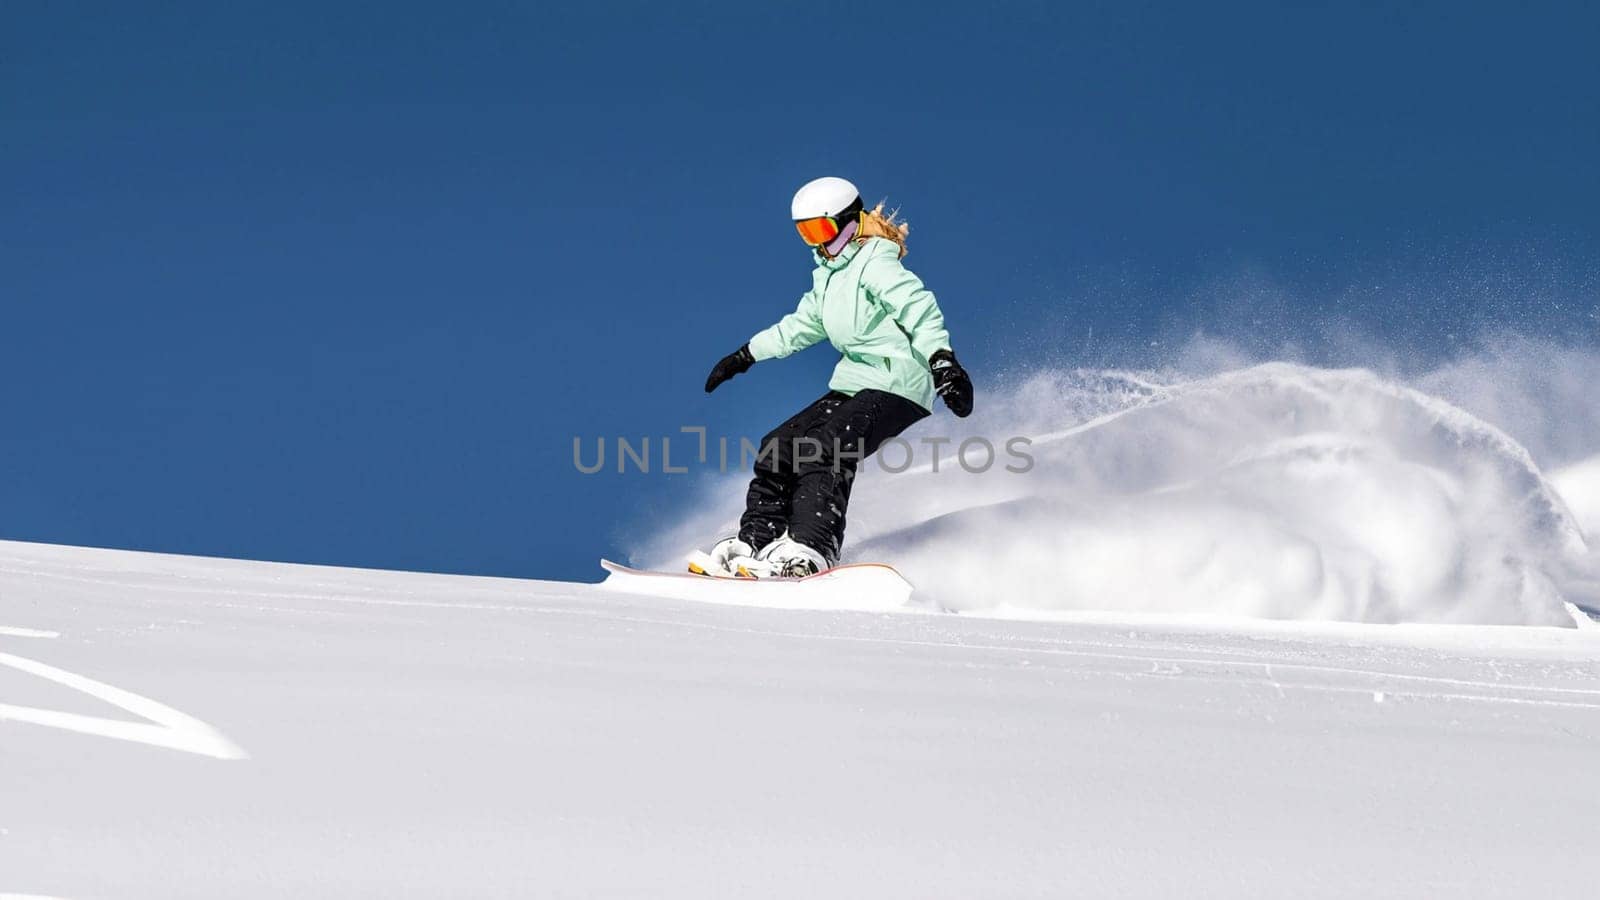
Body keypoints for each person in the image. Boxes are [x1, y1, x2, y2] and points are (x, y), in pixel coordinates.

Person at [699, 176, 974, 577]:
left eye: (821, 230)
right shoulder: (828, 276)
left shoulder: (876, 263)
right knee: (779, 445)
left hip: (899, 381)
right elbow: (800, 325)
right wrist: (746, 354)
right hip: (856, 381)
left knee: (827, 447)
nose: (816, 242)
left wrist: (943, 361)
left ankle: (812, 549)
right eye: (806, 233)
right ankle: (760, 541)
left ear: (848, 222)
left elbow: (919, 309)